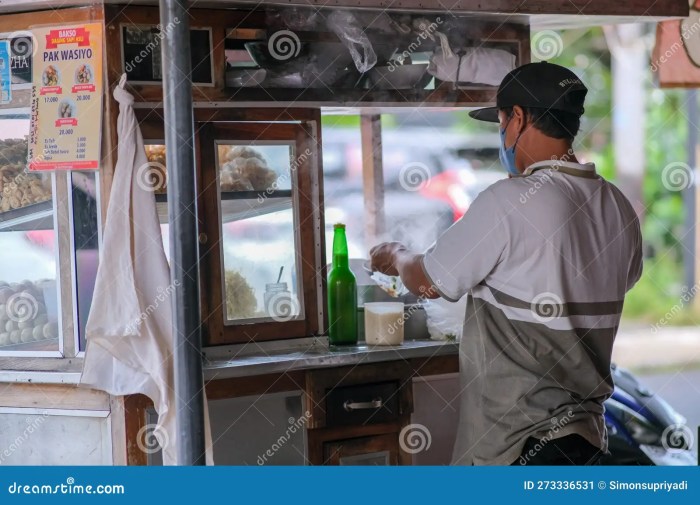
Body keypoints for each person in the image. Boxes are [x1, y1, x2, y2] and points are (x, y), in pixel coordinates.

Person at [369, 62, 643, 466]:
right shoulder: (618, 206)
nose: (500, 134)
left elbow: (428, 281)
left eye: (499, 121)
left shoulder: (509, 200)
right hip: (586, 439)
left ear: (518, 119)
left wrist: (395, 254)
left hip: (518, 447)